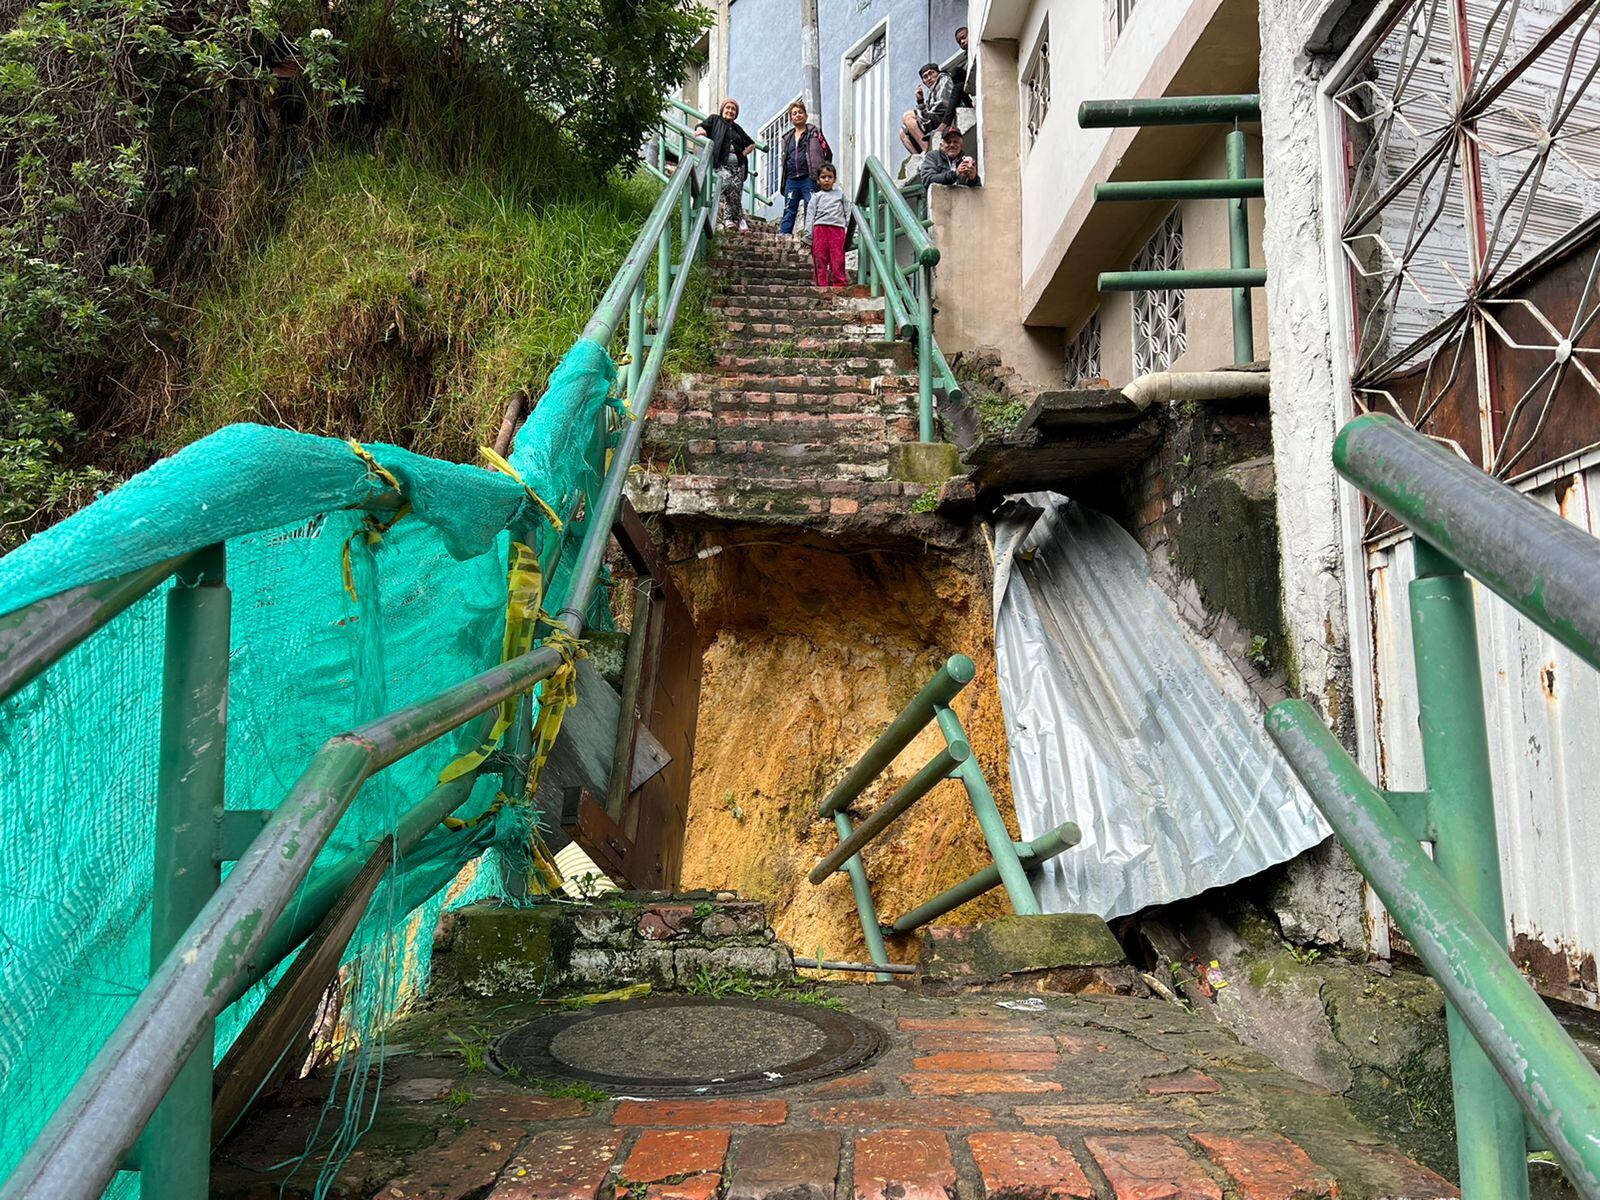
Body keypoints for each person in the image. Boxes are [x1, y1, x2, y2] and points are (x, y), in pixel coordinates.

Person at [695, 98, 756, 231]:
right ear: (722, 109)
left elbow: (751, 144)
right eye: (728, 108)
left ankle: (730, 220)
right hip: (721, 164)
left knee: (736, 193)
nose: (730, 111)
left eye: (733, 109)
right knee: (727, 185)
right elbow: (702, 126)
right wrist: (701, 131)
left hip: (738, 166)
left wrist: (743, 153)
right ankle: (736, 219)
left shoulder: (737, 128)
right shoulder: (715, 119)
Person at [778, 101, 832, 237]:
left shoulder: (814, 133)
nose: (797, 115)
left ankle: (810, 235)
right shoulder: (787, 138)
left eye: (800, 112)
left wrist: (822, 172)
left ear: (806, 116)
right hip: (791, 178)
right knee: (789, 208)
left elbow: (827, 153)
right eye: (794, 114)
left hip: (809, 177)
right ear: (791, 119)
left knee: (811, 205)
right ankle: (784, 234)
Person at [805, 164, 852, 288]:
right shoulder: (816, 197)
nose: (826, 180)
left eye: (830, 177)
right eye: (823, 177)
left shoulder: (840, 195)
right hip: (819, 229)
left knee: (838, 257)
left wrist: (851, 229)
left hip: (837, 229)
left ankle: (839, 283)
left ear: (834, 179)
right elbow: (810, 215)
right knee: (820, 257)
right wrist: (808, 234)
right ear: (818, 180)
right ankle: (822, 284)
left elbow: (848, 211)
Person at [900, 62, 957, 156]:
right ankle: (919, 157)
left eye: (931, 73)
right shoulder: (931, 92)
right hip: (935, 117)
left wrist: (923, 113)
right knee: (903, 132)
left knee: (908, 116)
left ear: (938, 73)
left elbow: (943, 103)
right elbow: (927, 112)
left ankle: (926, 149)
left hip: (945, 117)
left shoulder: (943, 78)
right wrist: (920, 101)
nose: (929, 78)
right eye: (925, 77)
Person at [950, 27, 977, 110]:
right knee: (955, 73)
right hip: (971, 88)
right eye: (959, 42)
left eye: (964, 37)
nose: (962, 42)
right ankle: (968, 104)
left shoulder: (977, 49)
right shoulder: (963, 61)